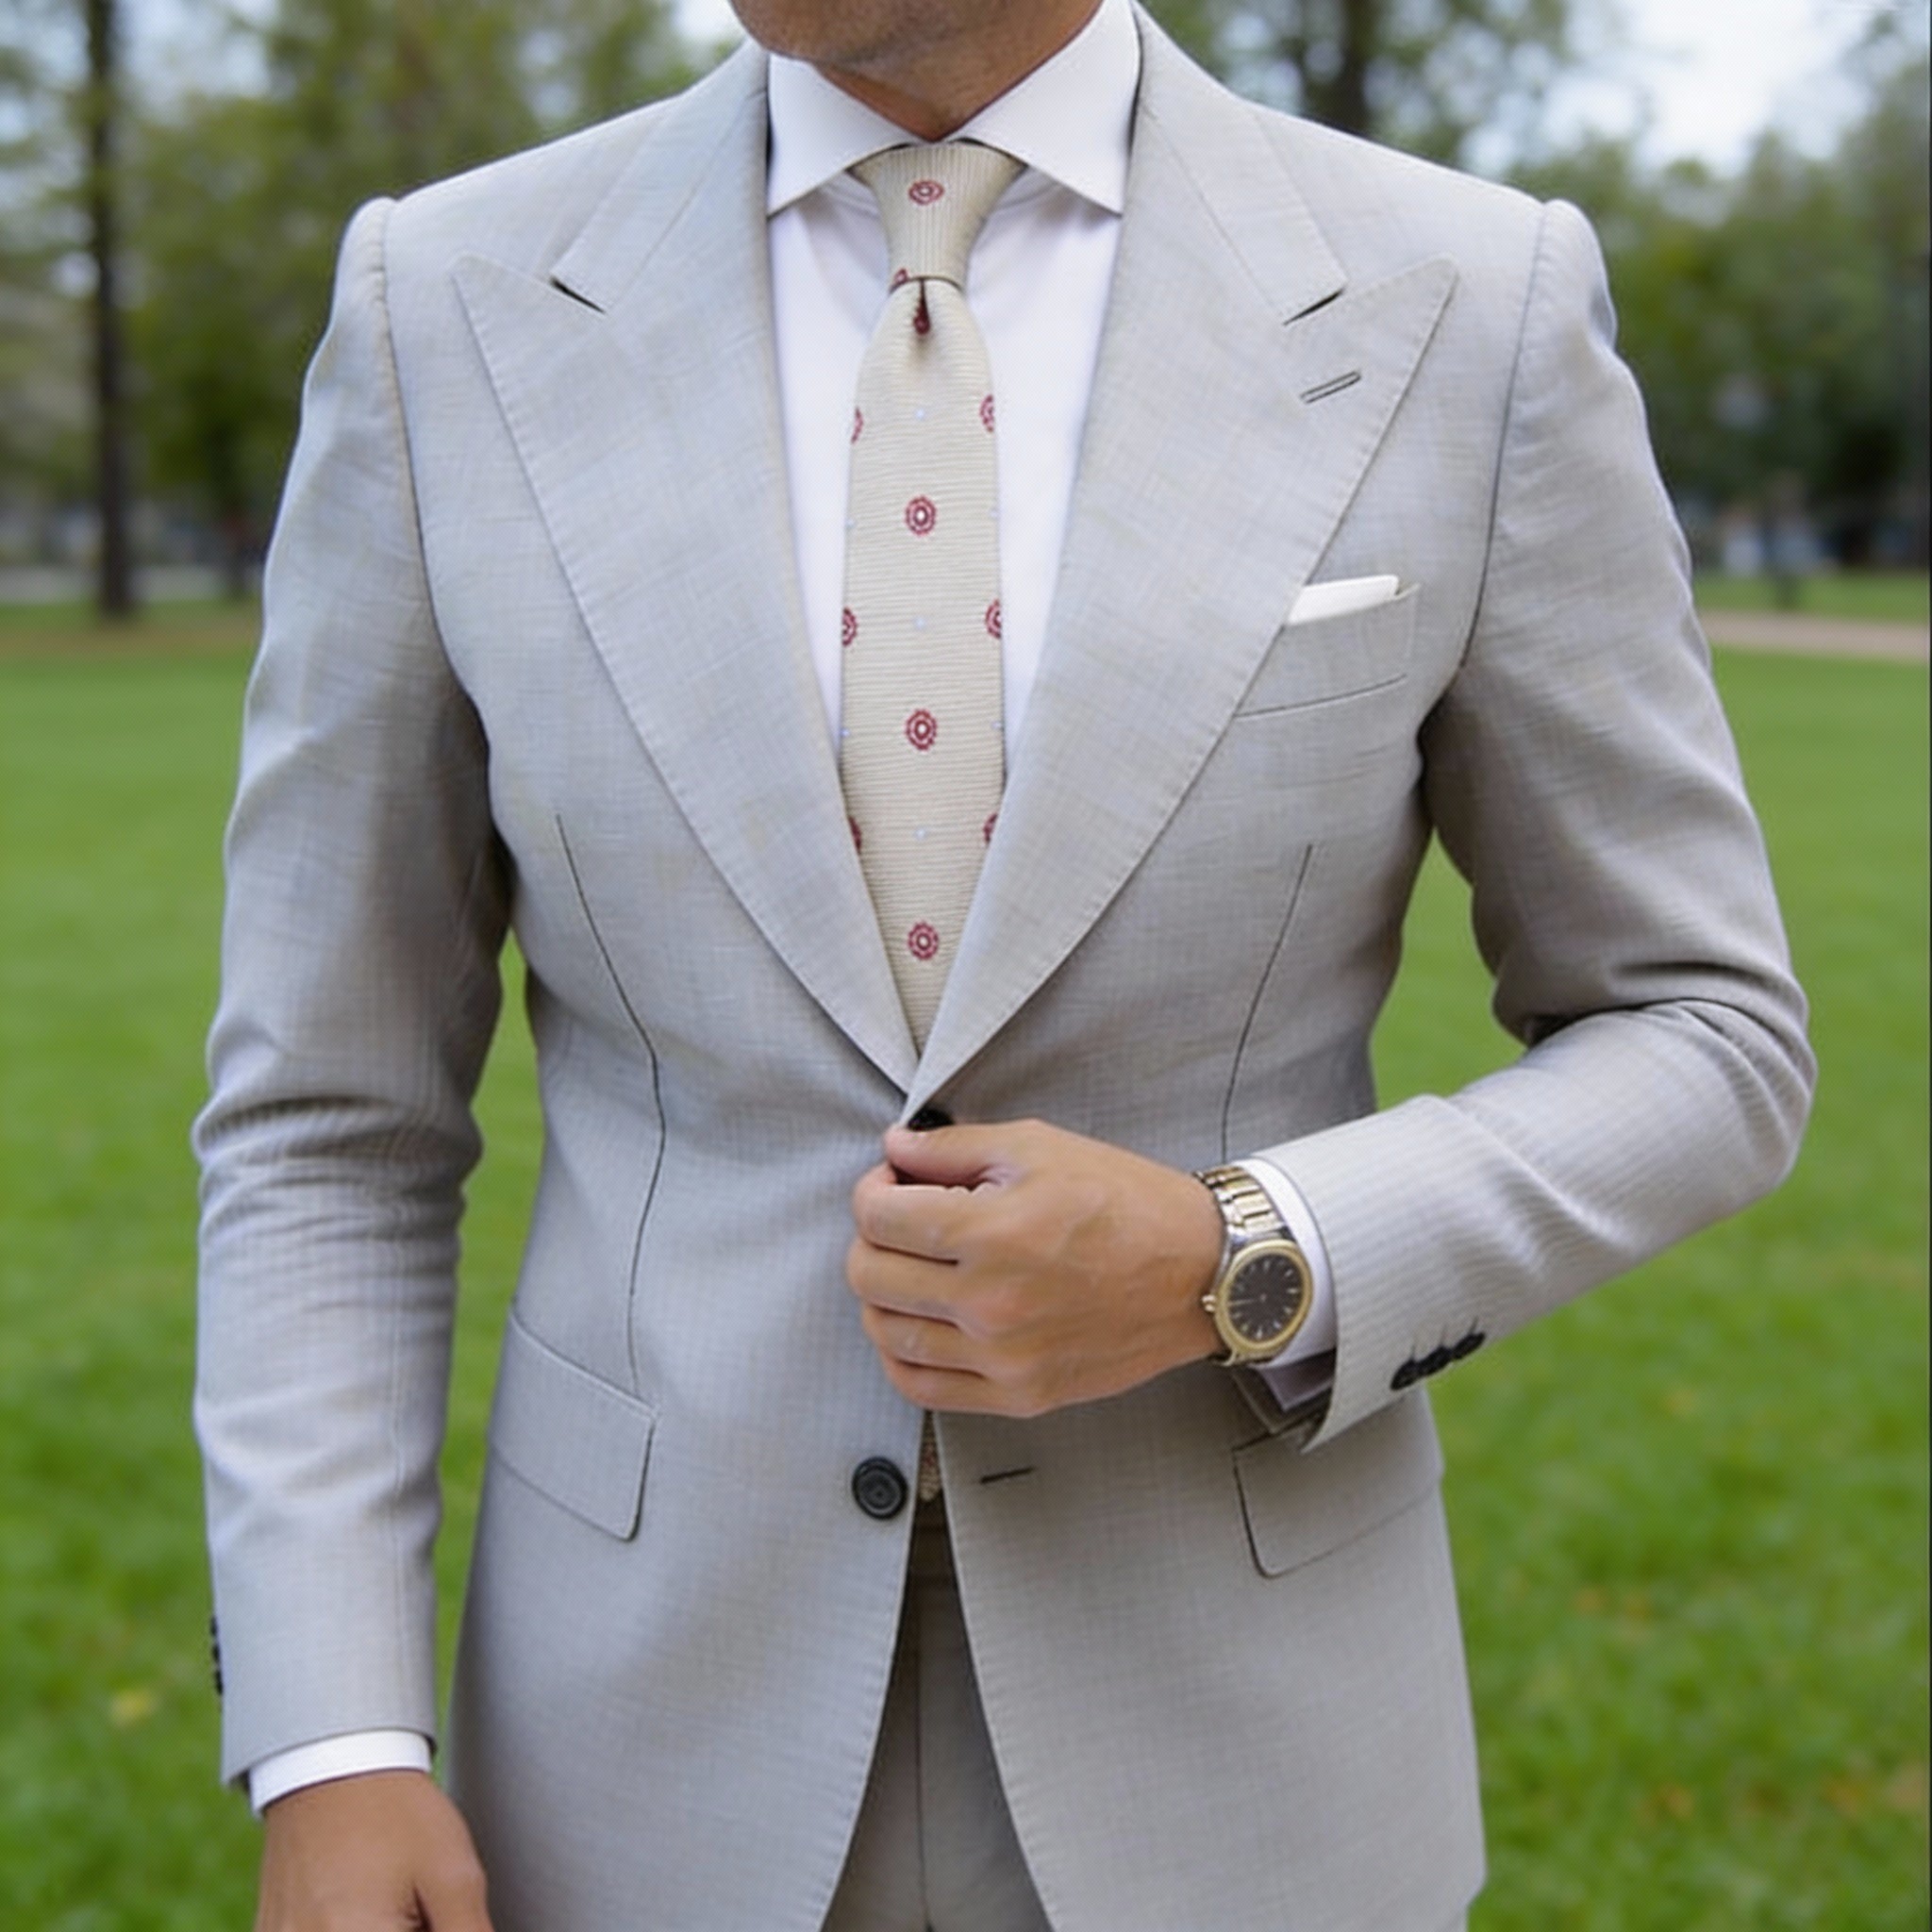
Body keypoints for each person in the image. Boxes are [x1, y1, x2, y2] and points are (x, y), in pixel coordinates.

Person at [192, 2, 1814, 1927]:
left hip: (1250, 1759)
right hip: (633, 1761)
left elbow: (1702, 1030)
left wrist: (1244, 1253)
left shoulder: (1467, 302)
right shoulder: (439, 304)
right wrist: (333, 1738)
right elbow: (324, 1116)